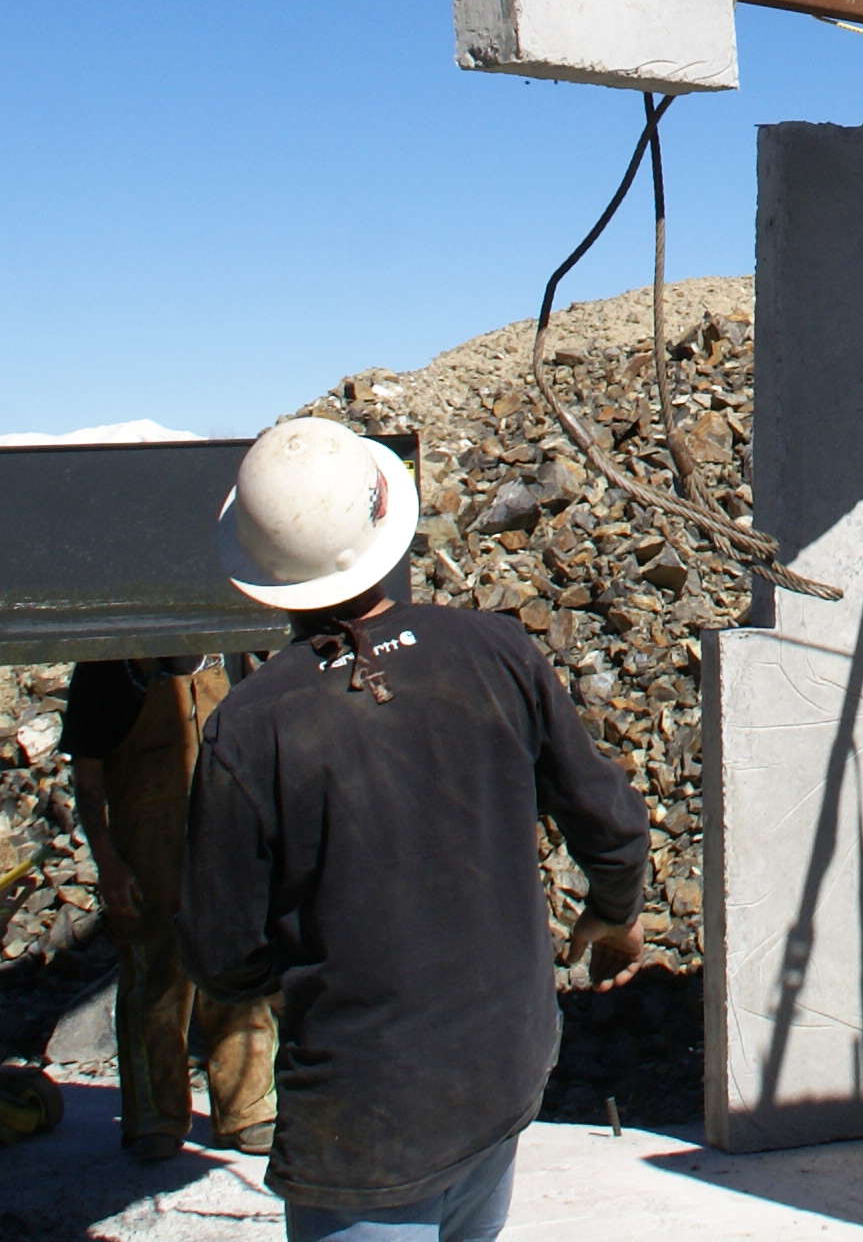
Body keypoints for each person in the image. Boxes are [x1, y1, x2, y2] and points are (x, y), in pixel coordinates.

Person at [178, 418, 650, 1242]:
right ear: (385, 524)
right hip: (503, 1072)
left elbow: (221, 955)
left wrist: (312, 973)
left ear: (261, 572)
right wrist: (615, 910)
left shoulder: (250, 729)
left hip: (366, 1125)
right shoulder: (495, 651)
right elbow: (608, 821)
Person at [66, 653, 278, 1159]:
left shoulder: (230, 654)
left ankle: (248, 1110)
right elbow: (88, 777)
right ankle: (154, 1119)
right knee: (154, 984)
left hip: (227, 850)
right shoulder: (106, 670)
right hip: (148, 857)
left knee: (240, 976)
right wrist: (109, 861)